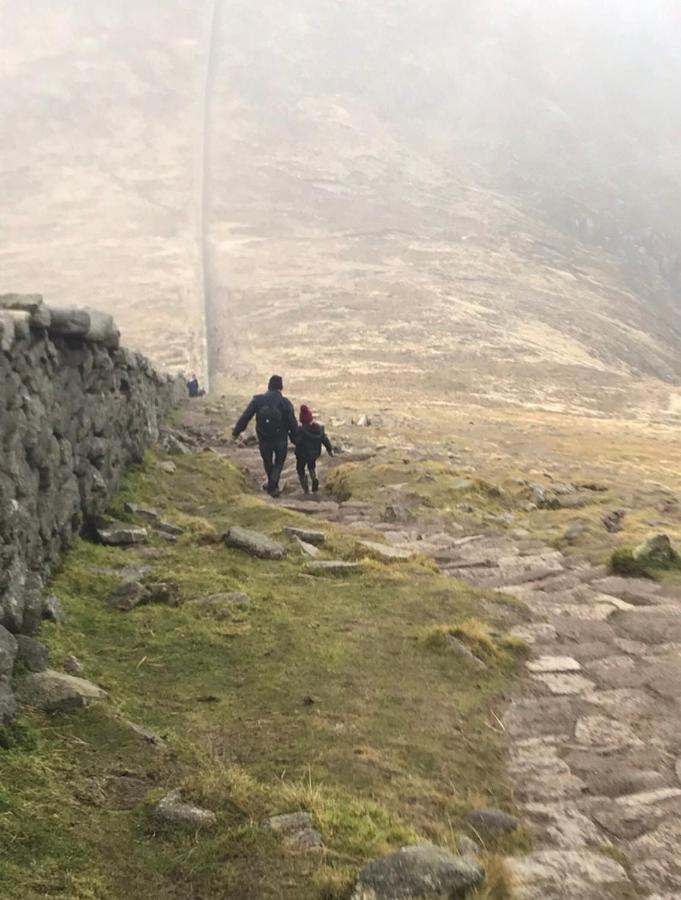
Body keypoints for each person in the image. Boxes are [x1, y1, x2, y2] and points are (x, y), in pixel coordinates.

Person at [232, 375, 298, 497]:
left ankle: (272, 485)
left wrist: (236, 432)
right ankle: (273, 485)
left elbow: (245, 417)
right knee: (279, 462)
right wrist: (296, 438)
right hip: (280, 438)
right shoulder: (285, 403)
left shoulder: (258, 400)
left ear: (269, 386)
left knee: (267, 461)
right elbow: (292, 422)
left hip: (264, 437)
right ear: (281, 387)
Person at [294, 404, 333, 494]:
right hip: (314, 453)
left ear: (301, 420)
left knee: (300, 469)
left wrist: (291, 435)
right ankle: (314, 478)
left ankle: (305, 489)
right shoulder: (318, 428)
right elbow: (325, 439)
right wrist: (329, 449)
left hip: (302, 454)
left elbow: (297, 441)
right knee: (312, 466)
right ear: (311, 418)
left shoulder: (300, 430)